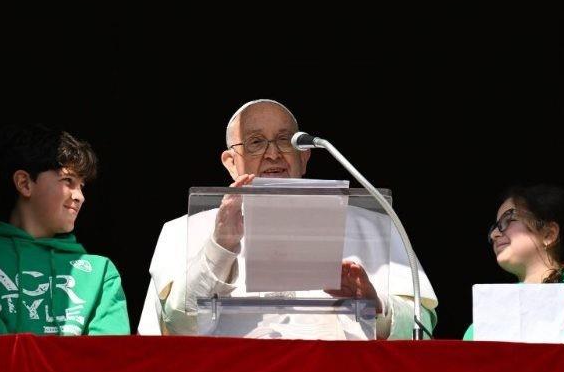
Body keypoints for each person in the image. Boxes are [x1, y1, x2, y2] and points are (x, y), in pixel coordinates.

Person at [138, 99, 438, 339]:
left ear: (304, 158)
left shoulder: (374, 227)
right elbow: (174, 329)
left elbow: (420, 327)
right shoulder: (181, 231)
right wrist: (220, 247)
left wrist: (376, 305)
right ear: (230, 162)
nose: (273, 155)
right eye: (255, 142)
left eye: (285, 141)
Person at [0, 124, 130, 336]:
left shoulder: (100, 273)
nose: (80, 196)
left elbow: (107, 360)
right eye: (68, 180)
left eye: (81, 185)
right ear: (25, 183)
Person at [463, 184, 564, 343]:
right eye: (495, 227)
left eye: (508, 219)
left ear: (549, 234)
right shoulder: (489, 314)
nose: (495, 234)